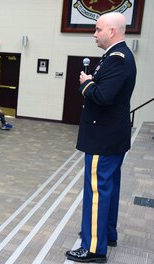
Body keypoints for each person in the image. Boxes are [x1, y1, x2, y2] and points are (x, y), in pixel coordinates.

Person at [65, 12, 137, 263]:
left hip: (103, 136)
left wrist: (86, 83)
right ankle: (105, 233)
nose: (94, 34)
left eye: (97, 29)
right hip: (109, 135)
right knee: (108, 188)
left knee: (97, 191)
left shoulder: (117, 59)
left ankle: (94, 247)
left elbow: (103, 97)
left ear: (112, 32)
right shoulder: (117, 57)